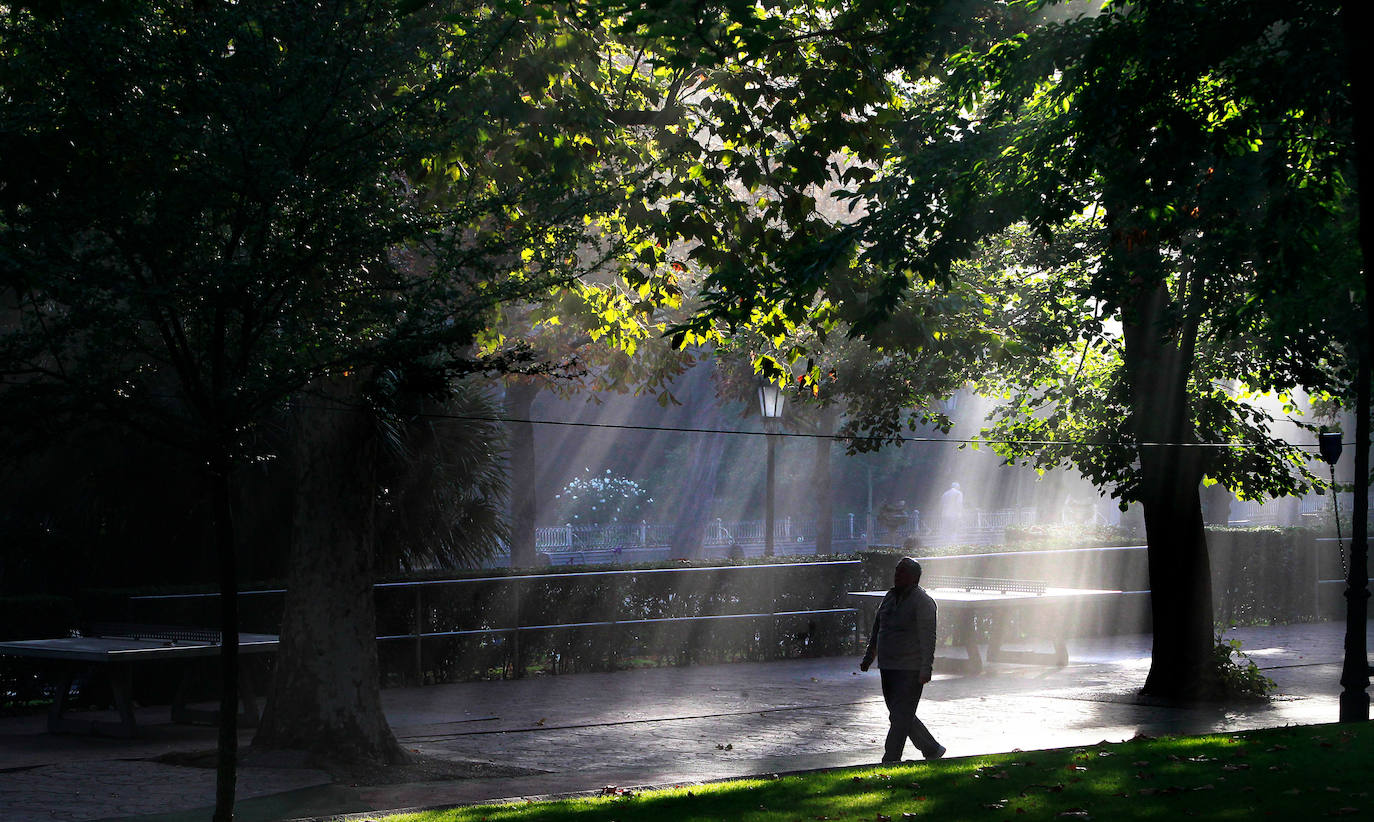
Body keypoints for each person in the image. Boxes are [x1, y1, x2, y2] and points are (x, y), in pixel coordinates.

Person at [859, 556, 945, 762]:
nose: (897, 575)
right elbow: (877, 629)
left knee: (899, 716)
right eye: (897, 570)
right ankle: (931, 748)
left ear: (914, 577)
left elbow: (928, 637)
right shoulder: (889, 597)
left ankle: (891, 758)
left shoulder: (923, 602)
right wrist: (870, 655)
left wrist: (926, 667)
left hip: (910, 668)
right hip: (888, 666)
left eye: (902, 571)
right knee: (901, 714)